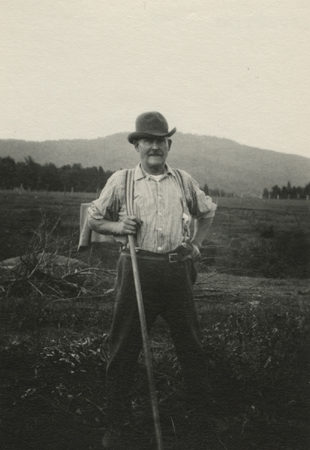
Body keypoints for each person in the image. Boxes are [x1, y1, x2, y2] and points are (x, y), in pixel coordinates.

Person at [87, 111, 217, 448]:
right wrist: (119, 227)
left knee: (191, 345)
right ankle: (116, 424)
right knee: (123, 348)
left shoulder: (183, 181)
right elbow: (95, 217)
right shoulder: (122, 181)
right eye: (148, 140)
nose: (155, 146)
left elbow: (208, 211)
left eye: (161, 140)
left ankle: (201, 422)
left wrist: (196, 245)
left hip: (176, 269)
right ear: (137, 145)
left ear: (169, 145)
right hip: (135, 268)